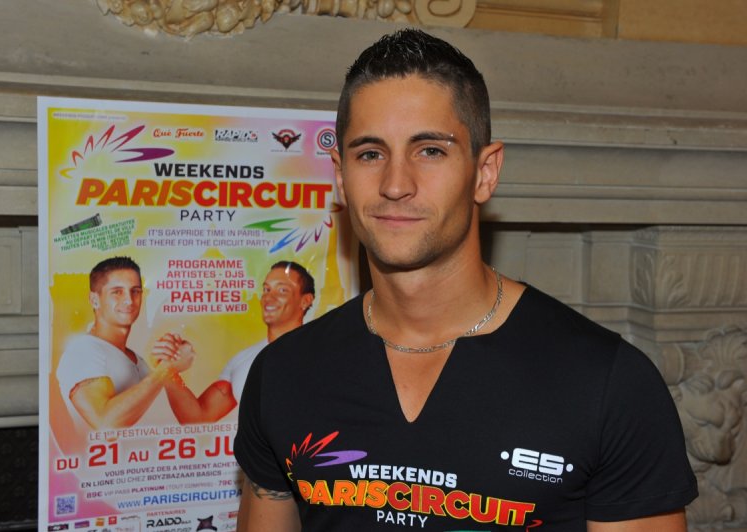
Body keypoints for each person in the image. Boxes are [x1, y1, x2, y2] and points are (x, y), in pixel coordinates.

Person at [233, 29, 698, 531]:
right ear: (341, 176)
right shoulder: (283, 373)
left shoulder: (607, 383)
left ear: (485, 172)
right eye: (370, 154)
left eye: (430, 150)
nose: (395, 184)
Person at [162, 261, 315, 424]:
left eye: (282, 290)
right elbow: (199, 417)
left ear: (305, 300)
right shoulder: (242, 360)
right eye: (266, 289)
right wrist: (168, 370)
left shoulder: (321, 354)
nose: (268, 298)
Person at [56, 256, 194, 431]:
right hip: (97, 450)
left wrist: (171, 356)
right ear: (94, 300)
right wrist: (167, 368)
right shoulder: (82, 351)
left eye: (135, 291)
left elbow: (184, 418)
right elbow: (106, 424)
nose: (129, 300)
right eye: (117, 292)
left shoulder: (138, 361)